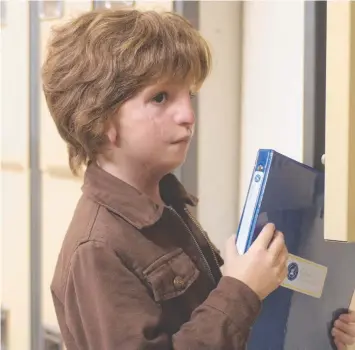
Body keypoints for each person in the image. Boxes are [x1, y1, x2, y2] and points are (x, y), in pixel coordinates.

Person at [41, 7, 355, 350]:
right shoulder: (97, 250)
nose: (188, 116)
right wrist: (240, 290)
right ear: (100, 119)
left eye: (188, 95)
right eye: (160, 97)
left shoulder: (166, 205)